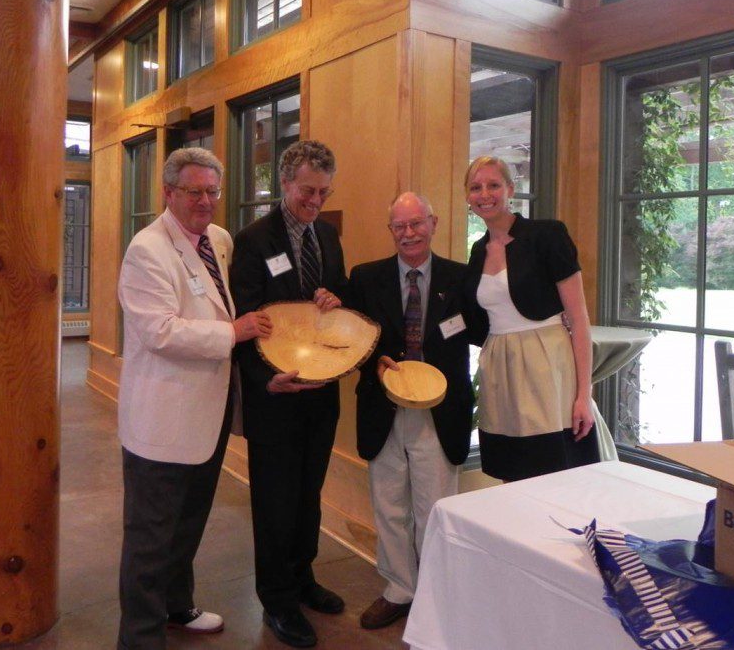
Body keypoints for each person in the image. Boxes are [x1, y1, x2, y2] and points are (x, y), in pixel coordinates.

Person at [116, 147, 272, 650]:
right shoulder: (147, 249)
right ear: (168, 193)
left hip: (209, 414)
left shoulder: (218, 240)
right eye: (194, 192)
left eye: (212, 191)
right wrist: (234, 332)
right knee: (150, 538)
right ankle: (139, 637)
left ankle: (177, 605)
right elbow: (159, 331)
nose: (205, 201)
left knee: (188, 523)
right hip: (162, 419)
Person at [230, 140, 348, 649]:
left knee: (308, 494)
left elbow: (339, 299)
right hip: (274, 395)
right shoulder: (254, 240)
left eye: (323, 192)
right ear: (284, 183)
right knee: (275, 500)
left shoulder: (328, 235)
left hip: (320, 392)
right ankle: (276, 596)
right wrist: (264, 382)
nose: (315, 201)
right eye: (306, 191)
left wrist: (332, 297)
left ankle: (303, 578)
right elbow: (246, 319)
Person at [347, 192, 473, 630]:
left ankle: (438, 589)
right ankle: (400, 588)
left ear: (433, 223)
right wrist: (375, 358)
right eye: (399, 226)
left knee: (435, 503)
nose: (408, 233)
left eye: (416, 223)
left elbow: (486, 331)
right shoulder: (365, 277)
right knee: (389, 503)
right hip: (384, 406)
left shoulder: (462, 277)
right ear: (391, 232)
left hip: (441, 409)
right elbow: (353, 338)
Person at [462, 155, 599, 482]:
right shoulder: (478, 251)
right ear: (467, 197)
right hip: (499, 369)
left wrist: (583, 395)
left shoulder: (547, 235)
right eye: (476, 187)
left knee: (553, 474)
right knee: (511, 474)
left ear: (510, 189)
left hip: (546, 364)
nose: (485, 194)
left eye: (494, 185)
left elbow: (579, 320)